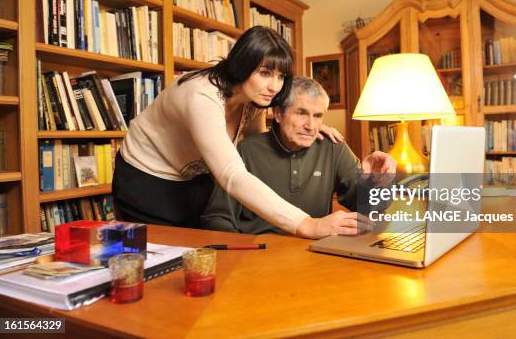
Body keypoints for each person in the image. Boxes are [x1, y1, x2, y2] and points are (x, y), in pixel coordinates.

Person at [112, 26, 371, 238]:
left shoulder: (253, 96)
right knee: (160, 262)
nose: (274, 86)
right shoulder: (200, 96)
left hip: (196, 179)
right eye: (265, 73)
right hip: (148, 180)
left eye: (281, 76)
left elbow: (257, 143)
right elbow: (232, 174)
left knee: (195, 254)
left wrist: (307, 125)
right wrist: (308, 225)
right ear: (243, 65)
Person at [200, 76, 396, 234]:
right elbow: (217, 218)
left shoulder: (333, 148)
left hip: (314, 255)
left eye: (318, 116)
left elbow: (371, 208)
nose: (311, 126)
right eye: (301, 113)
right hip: (258, 257)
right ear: (278, 114)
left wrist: (376, 181)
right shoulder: (246, 151)